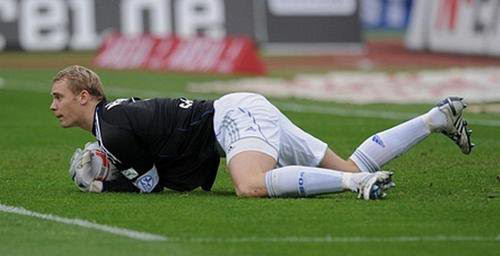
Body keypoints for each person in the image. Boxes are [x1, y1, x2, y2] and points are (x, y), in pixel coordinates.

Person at [50, 65, 473, 200]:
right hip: (241, 108)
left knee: (250, 185)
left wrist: (104, 186)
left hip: (231, 116)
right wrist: (112, 169)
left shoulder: (112, 129)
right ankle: (435, 119)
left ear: (85, 96)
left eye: (59, 97)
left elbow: (151, 186)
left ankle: (355, 183)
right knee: (345, 161)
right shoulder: (115, 119)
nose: (53, 106)